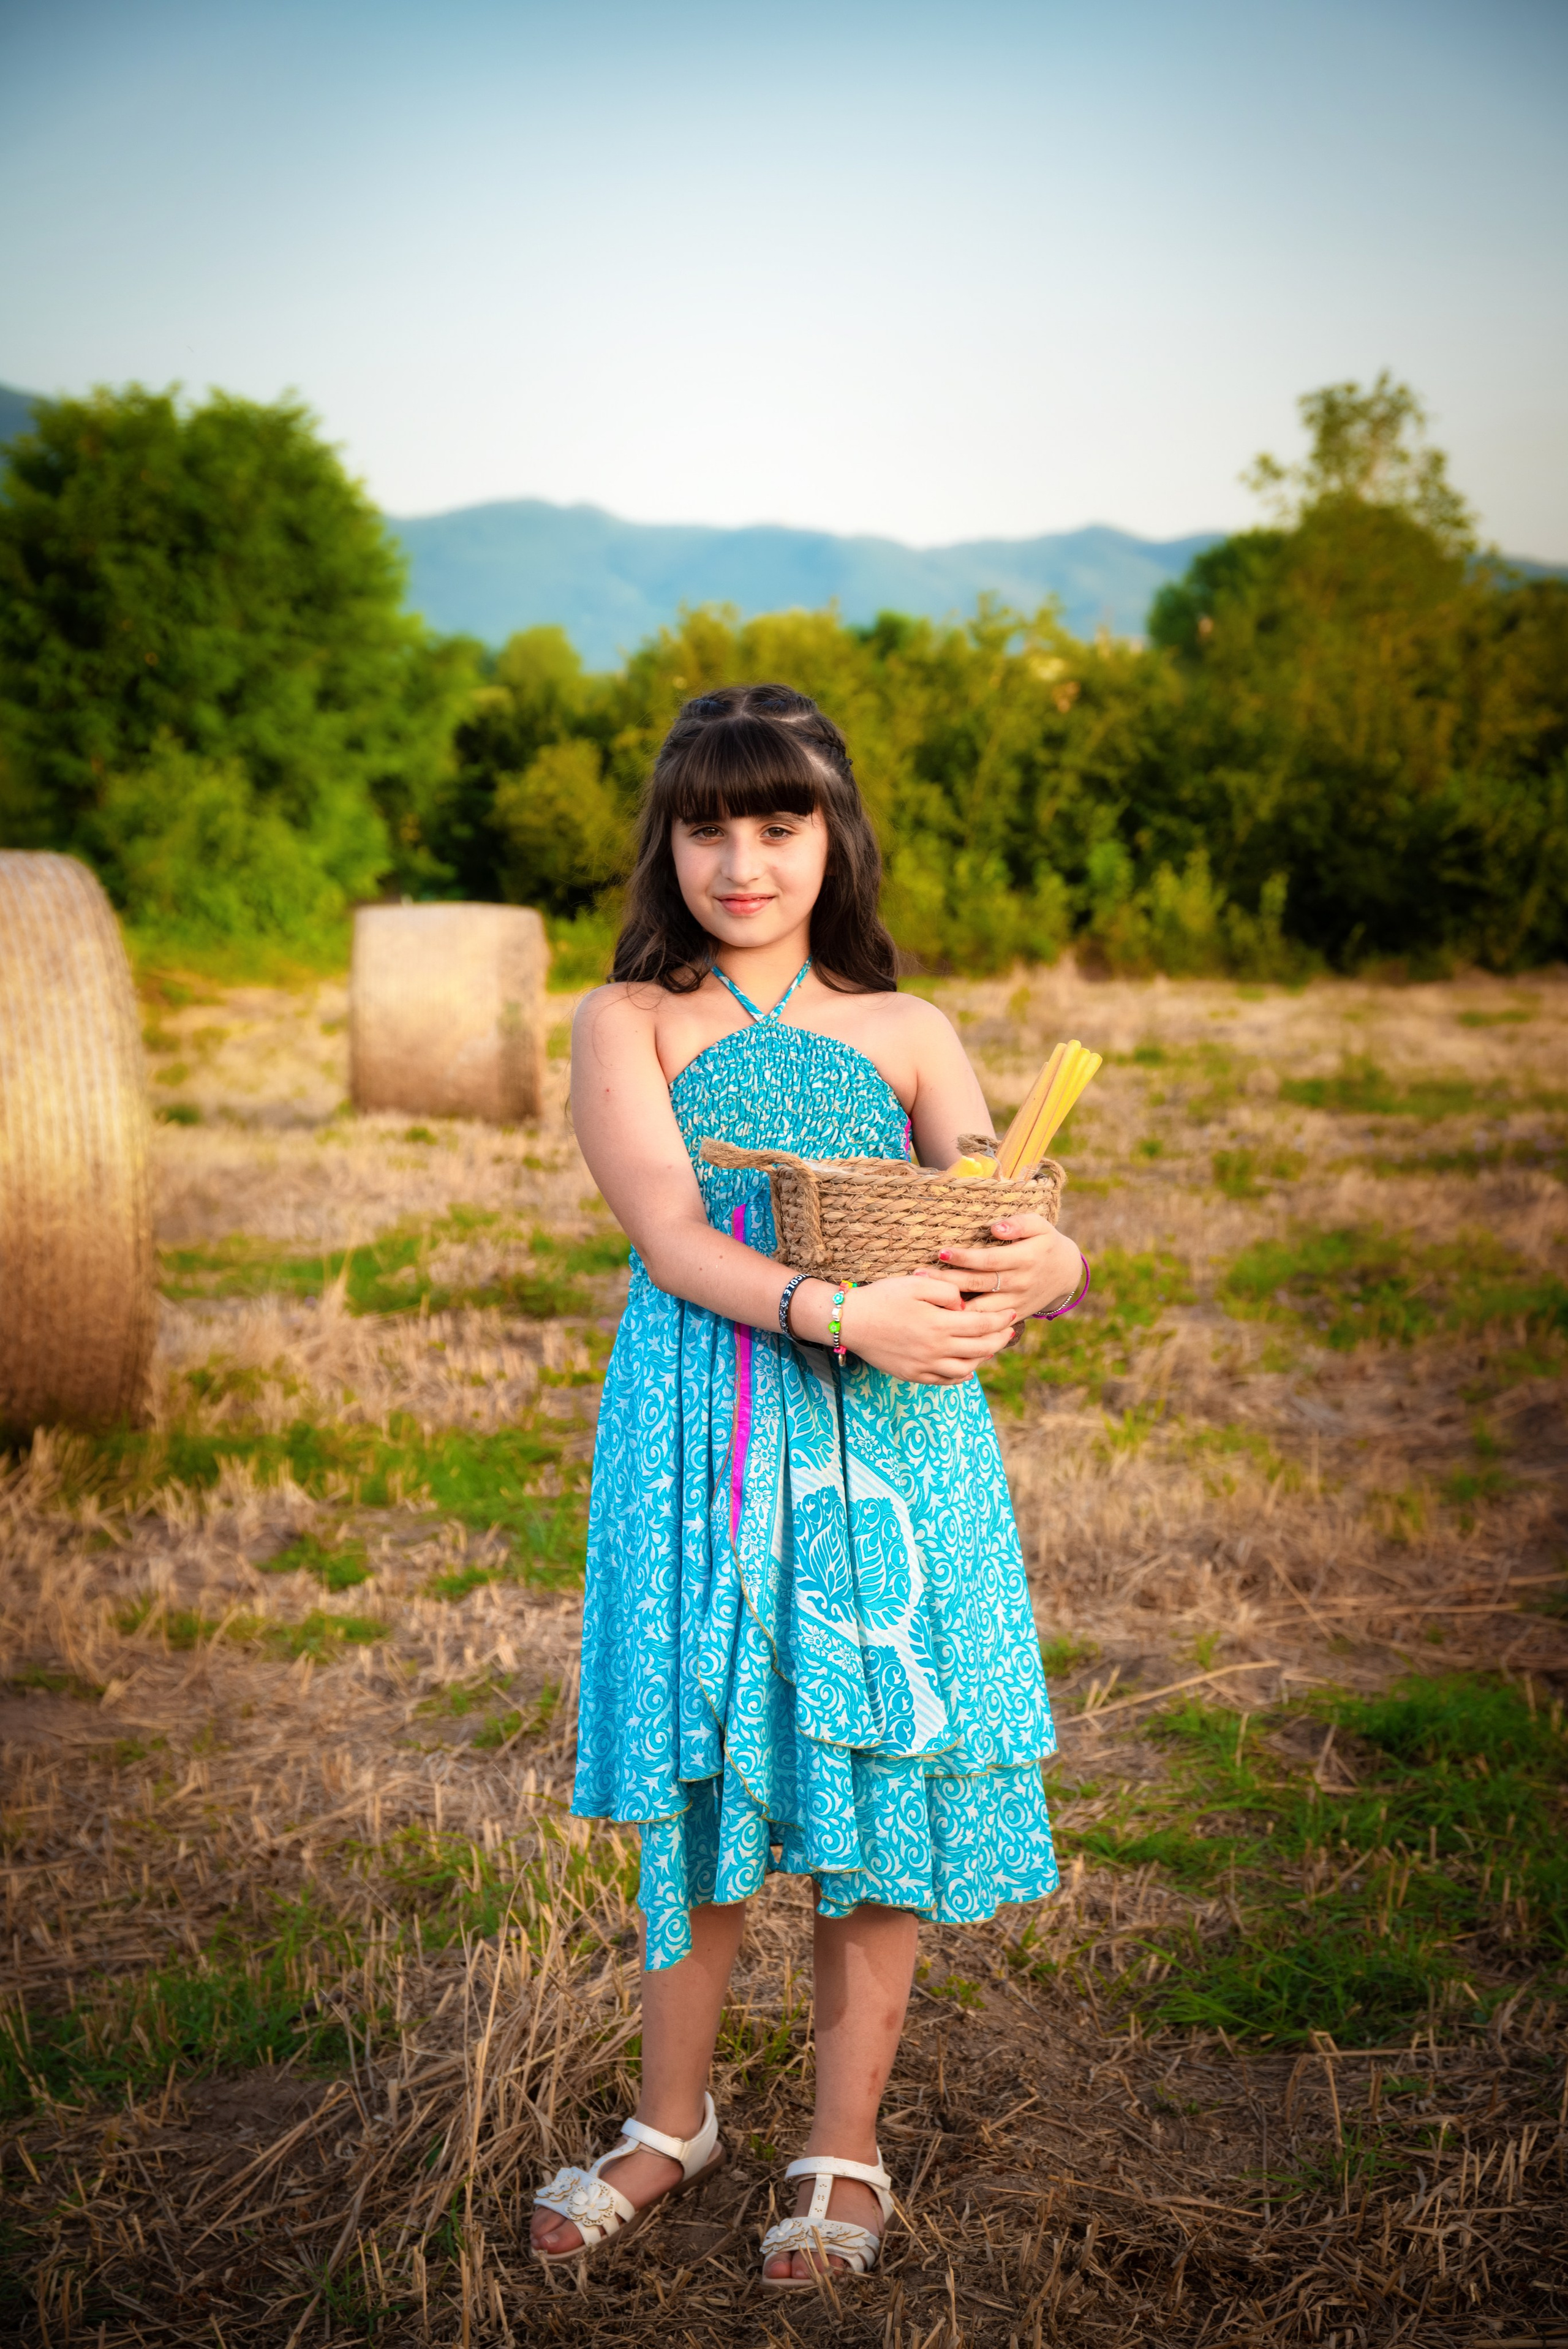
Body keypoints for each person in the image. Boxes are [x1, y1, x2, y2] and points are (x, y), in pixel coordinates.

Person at [530, 685, 1085, 2288]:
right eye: (710, 824)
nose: (744, 857)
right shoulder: (627, 1020)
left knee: (878, 1776)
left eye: (779, 821)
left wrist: (1045, 1258)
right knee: (706, 1774)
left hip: (891, 1461)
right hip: (705, 1433)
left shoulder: (910, 1031)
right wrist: (848, 1310)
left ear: (833, 833)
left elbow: (997, 1200)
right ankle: (669, 2120)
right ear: (670, 842)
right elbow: (675, 1236)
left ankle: (842, 2148)